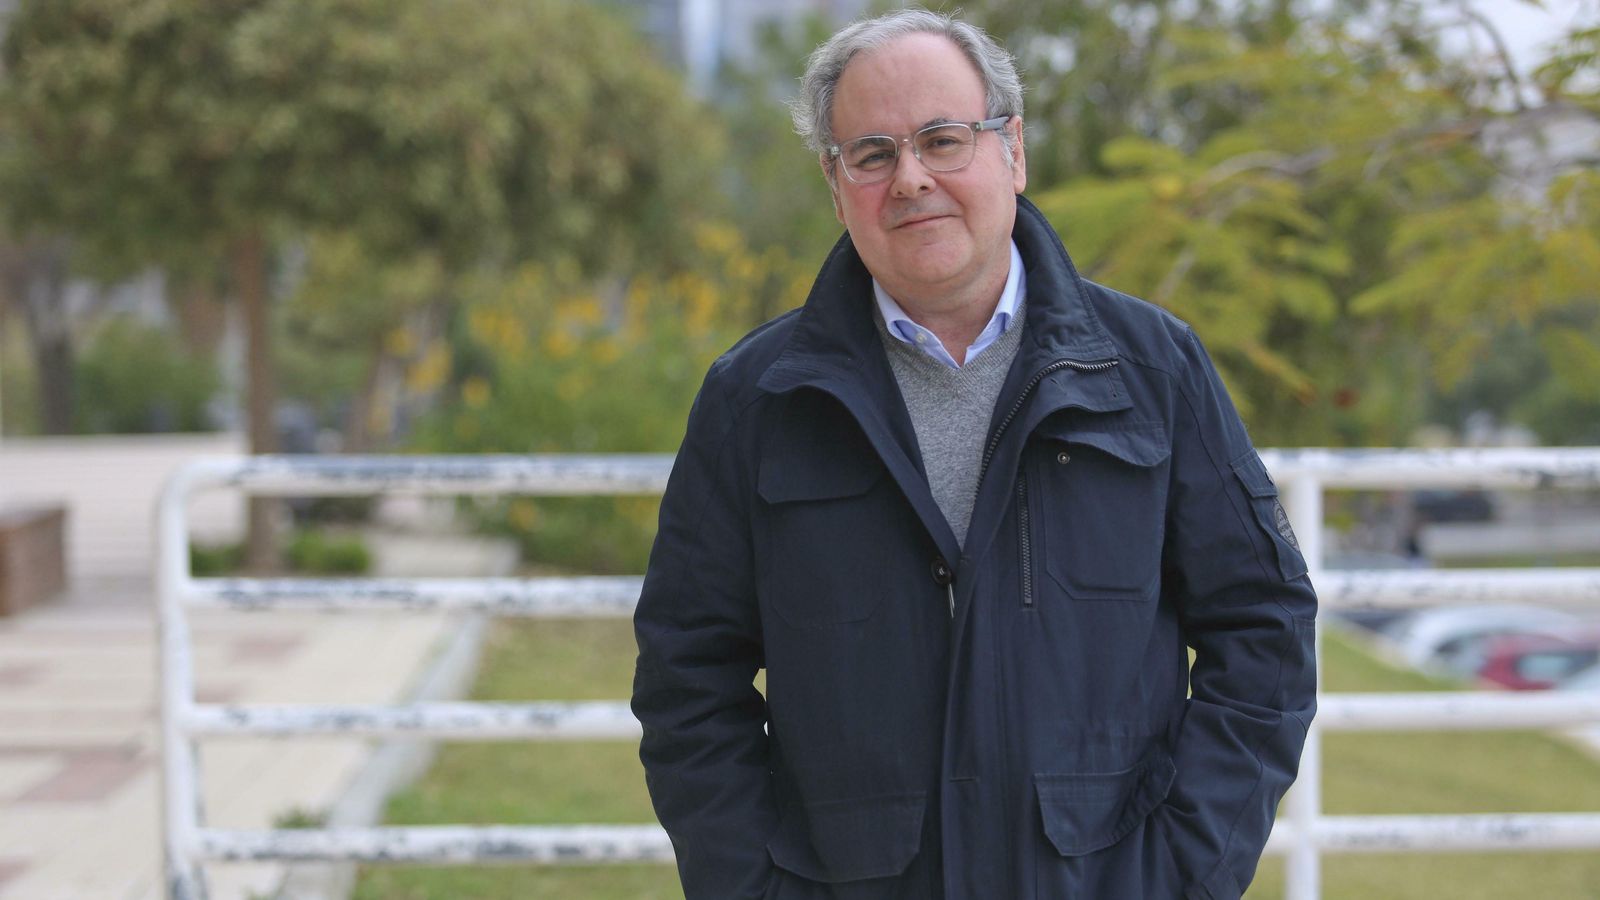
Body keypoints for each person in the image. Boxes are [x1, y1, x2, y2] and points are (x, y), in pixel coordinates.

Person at [631, 9, 1317, 900]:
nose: (910, 178)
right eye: (871, 155)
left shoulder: (1152, 369)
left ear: (1013, 152)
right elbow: (687, 680)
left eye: (943, 139)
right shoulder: (755, 400)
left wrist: (1180, 877)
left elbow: (1262, 629)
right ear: (837, 189)